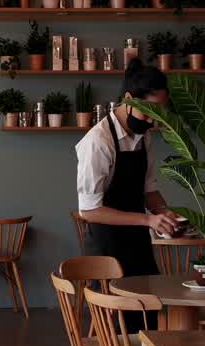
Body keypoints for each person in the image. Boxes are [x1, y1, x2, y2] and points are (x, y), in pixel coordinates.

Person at [75, 59, 182, 319]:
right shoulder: (98, 141)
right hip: (107, 247)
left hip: (137, 242)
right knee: (119, 323)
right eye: (148, 110)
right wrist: (148, 219)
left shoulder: (143, 136)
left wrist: (167, 215)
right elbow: (90, 210)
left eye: (158, 112)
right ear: (128, 98)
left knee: (148, 315)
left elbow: (149, 189)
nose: (152, 120)